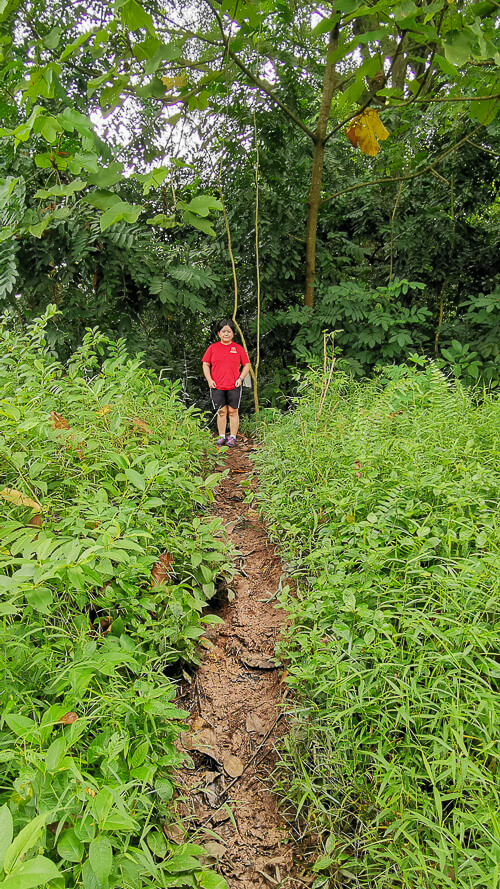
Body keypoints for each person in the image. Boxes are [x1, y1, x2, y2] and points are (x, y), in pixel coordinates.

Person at [202, 320, 251, 447]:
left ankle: (233, 437)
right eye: (223, 331)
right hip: (216, 385)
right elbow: (205, 364)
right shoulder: (212, 348)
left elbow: (247, 364)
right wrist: (209, 379)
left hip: (234, 385)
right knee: (221, 411)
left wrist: (240, 378)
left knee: (233, 411)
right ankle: (222, 436)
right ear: (219, 334)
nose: (226, 334)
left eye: (229, 331)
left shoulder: (238, 348)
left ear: (233, 334)